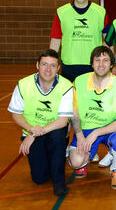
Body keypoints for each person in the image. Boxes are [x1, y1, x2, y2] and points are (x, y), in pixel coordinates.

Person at [8, 49, 73, 197]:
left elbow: (63, 121)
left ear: (58, 68)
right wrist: (31, 130)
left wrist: (35, 133)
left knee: (57, 137)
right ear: (37, 65)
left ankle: (59, 182)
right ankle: (54, 158)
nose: (48, 69)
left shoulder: (66, 86)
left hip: (55, 129)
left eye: (52, 65)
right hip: (33, 131)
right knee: (39, 178)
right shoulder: (23, 85)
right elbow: (16, 114)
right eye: (44, 64)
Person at [68, 46, 116, 188]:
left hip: (109, 129)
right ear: (92, 63)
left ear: (111, 64)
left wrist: (96, 133)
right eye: (97, 60)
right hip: (86, 129)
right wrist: (80, 135)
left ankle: (115, 170)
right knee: (77, 162)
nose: (101, 64)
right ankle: (83, 158)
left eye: (105, 60)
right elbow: (74, 113)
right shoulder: (79, 82)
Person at [49, 0, 110, 82]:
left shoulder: (100, 12)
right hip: (68, 67)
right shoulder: (61, 12)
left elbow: (108, 41)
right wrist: (51, 64)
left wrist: (106, 63)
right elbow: (55, 41)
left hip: (93, 66)